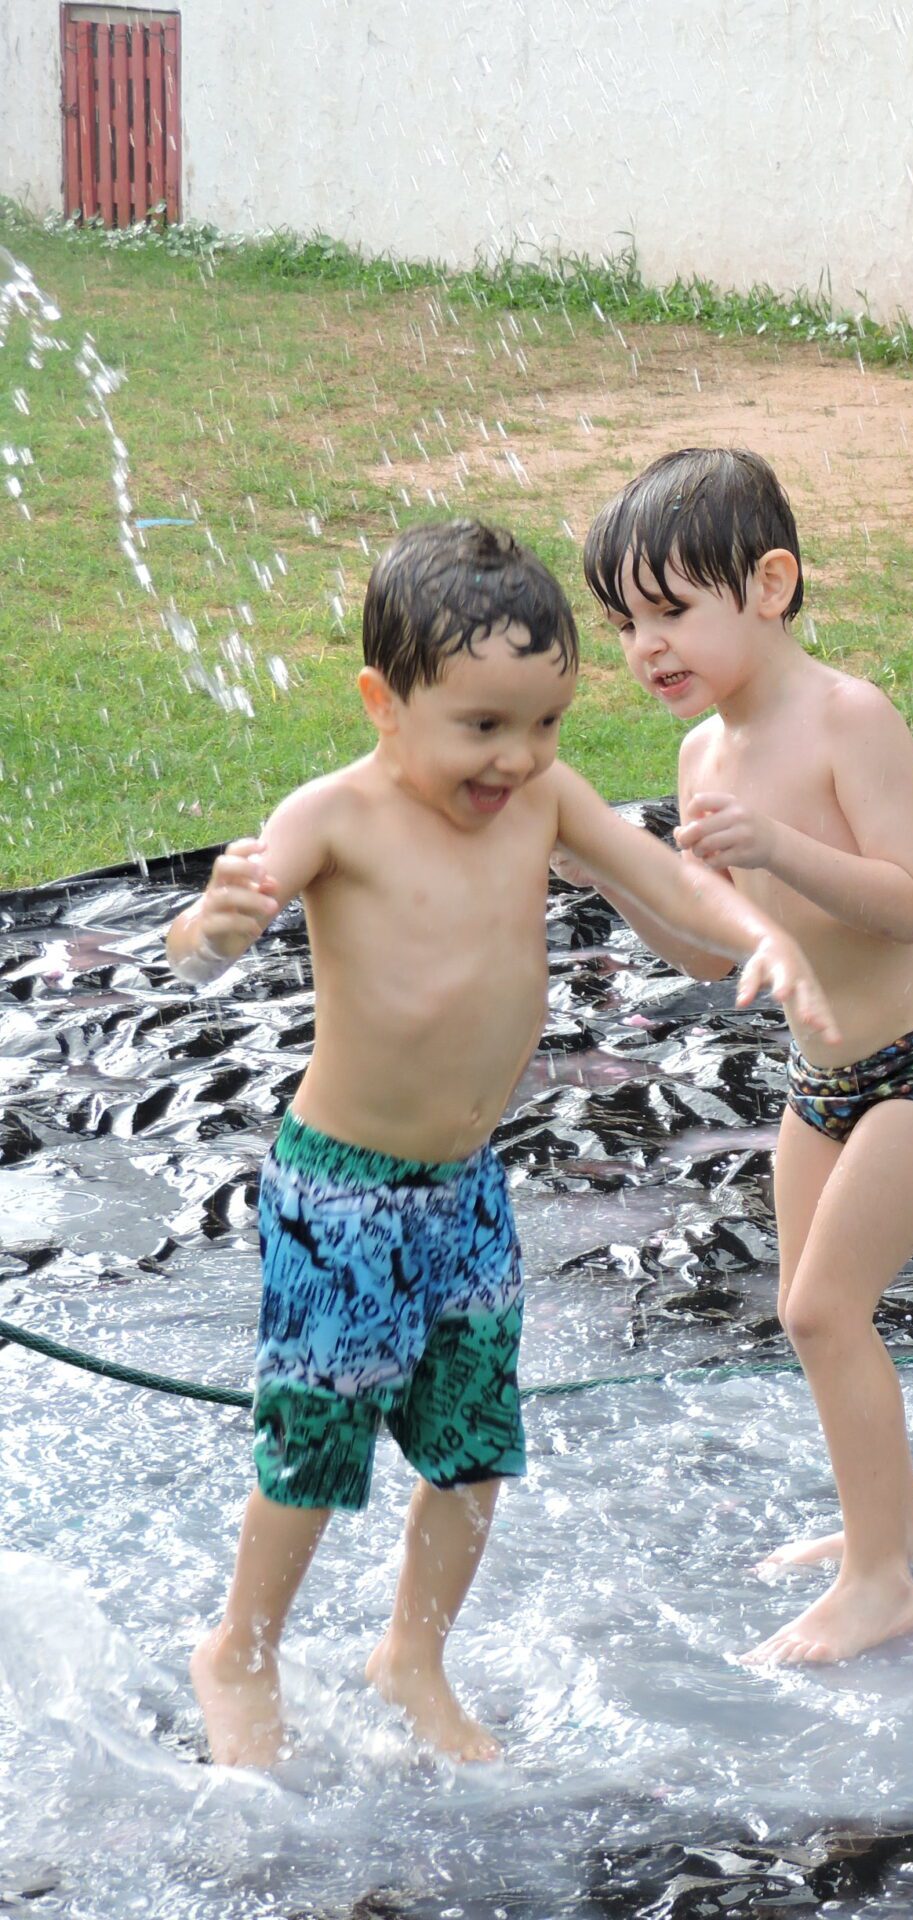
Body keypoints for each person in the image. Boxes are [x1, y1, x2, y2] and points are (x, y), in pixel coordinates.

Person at [168, 519, 836, 1769]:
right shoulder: (335, 818)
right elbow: (204, 952)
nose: (519, 758)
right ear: (385, 703)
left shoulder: (543, 800)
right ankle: (240, 1651)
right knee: (317, 1434)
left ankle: (411, 1654)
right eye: (482, 727)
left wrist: (765, 935)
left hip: (466, 1186)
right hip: (344, 1188)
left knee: (474, 1443)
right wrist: (211, 924)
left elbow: (668, 880)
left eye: (546, 724)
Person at [579, 448, 913, 1664]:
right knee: (810, 1314)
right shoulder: (701, 759)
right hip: (824, 1081)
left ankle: (879, 1587)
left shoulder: (845, 717)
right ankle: (894, 1531)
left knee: (825, 1308)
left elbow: (907, 902)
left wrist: (777, 842)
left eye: (670, 611)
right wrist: (615, 877)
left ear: (768, 584)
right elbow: (715, 958)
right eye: (622, 623)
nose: (645, 647)